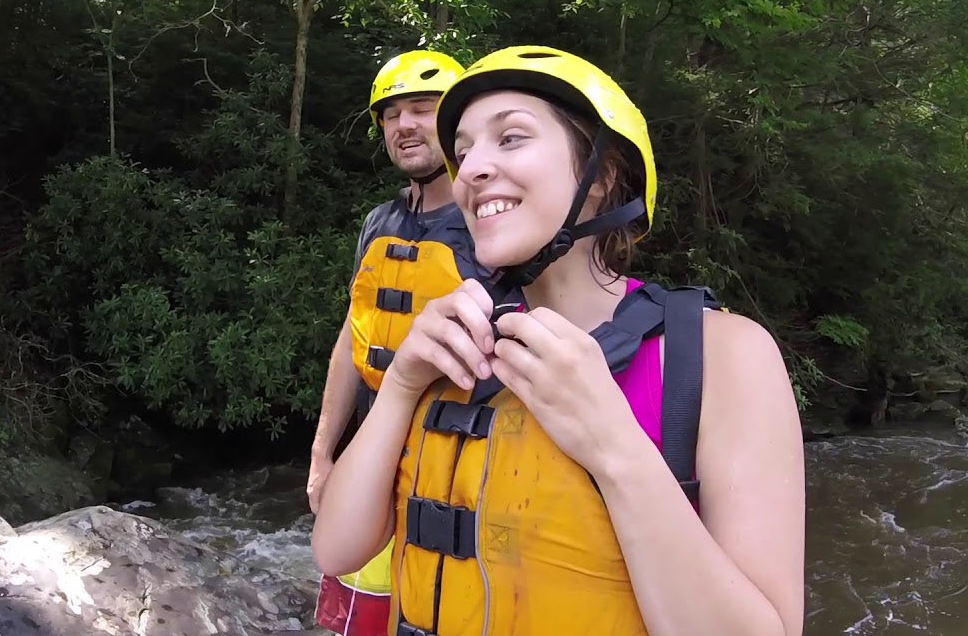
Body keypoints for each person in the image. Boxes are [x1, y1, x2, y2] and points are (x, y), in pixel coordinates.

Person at [311, 45, 806, 636]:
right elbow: (336, 550)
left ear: (602, 177)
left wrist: (613, 446)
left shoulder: (724, 354)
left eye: (511, 138)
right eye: (463, 152)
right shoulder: (457, 343)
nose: (469, 170)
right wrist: (400, 386)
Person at [308, 49, 524, 636]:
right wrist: (324, 456)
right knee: (358, 622)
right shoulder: (379, 222)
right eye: (391, 114)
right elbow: (351, 340)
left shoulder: (496, 220)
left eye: (423, 109)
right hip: (377, 462)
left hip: (466, 473)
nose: (404, 125)